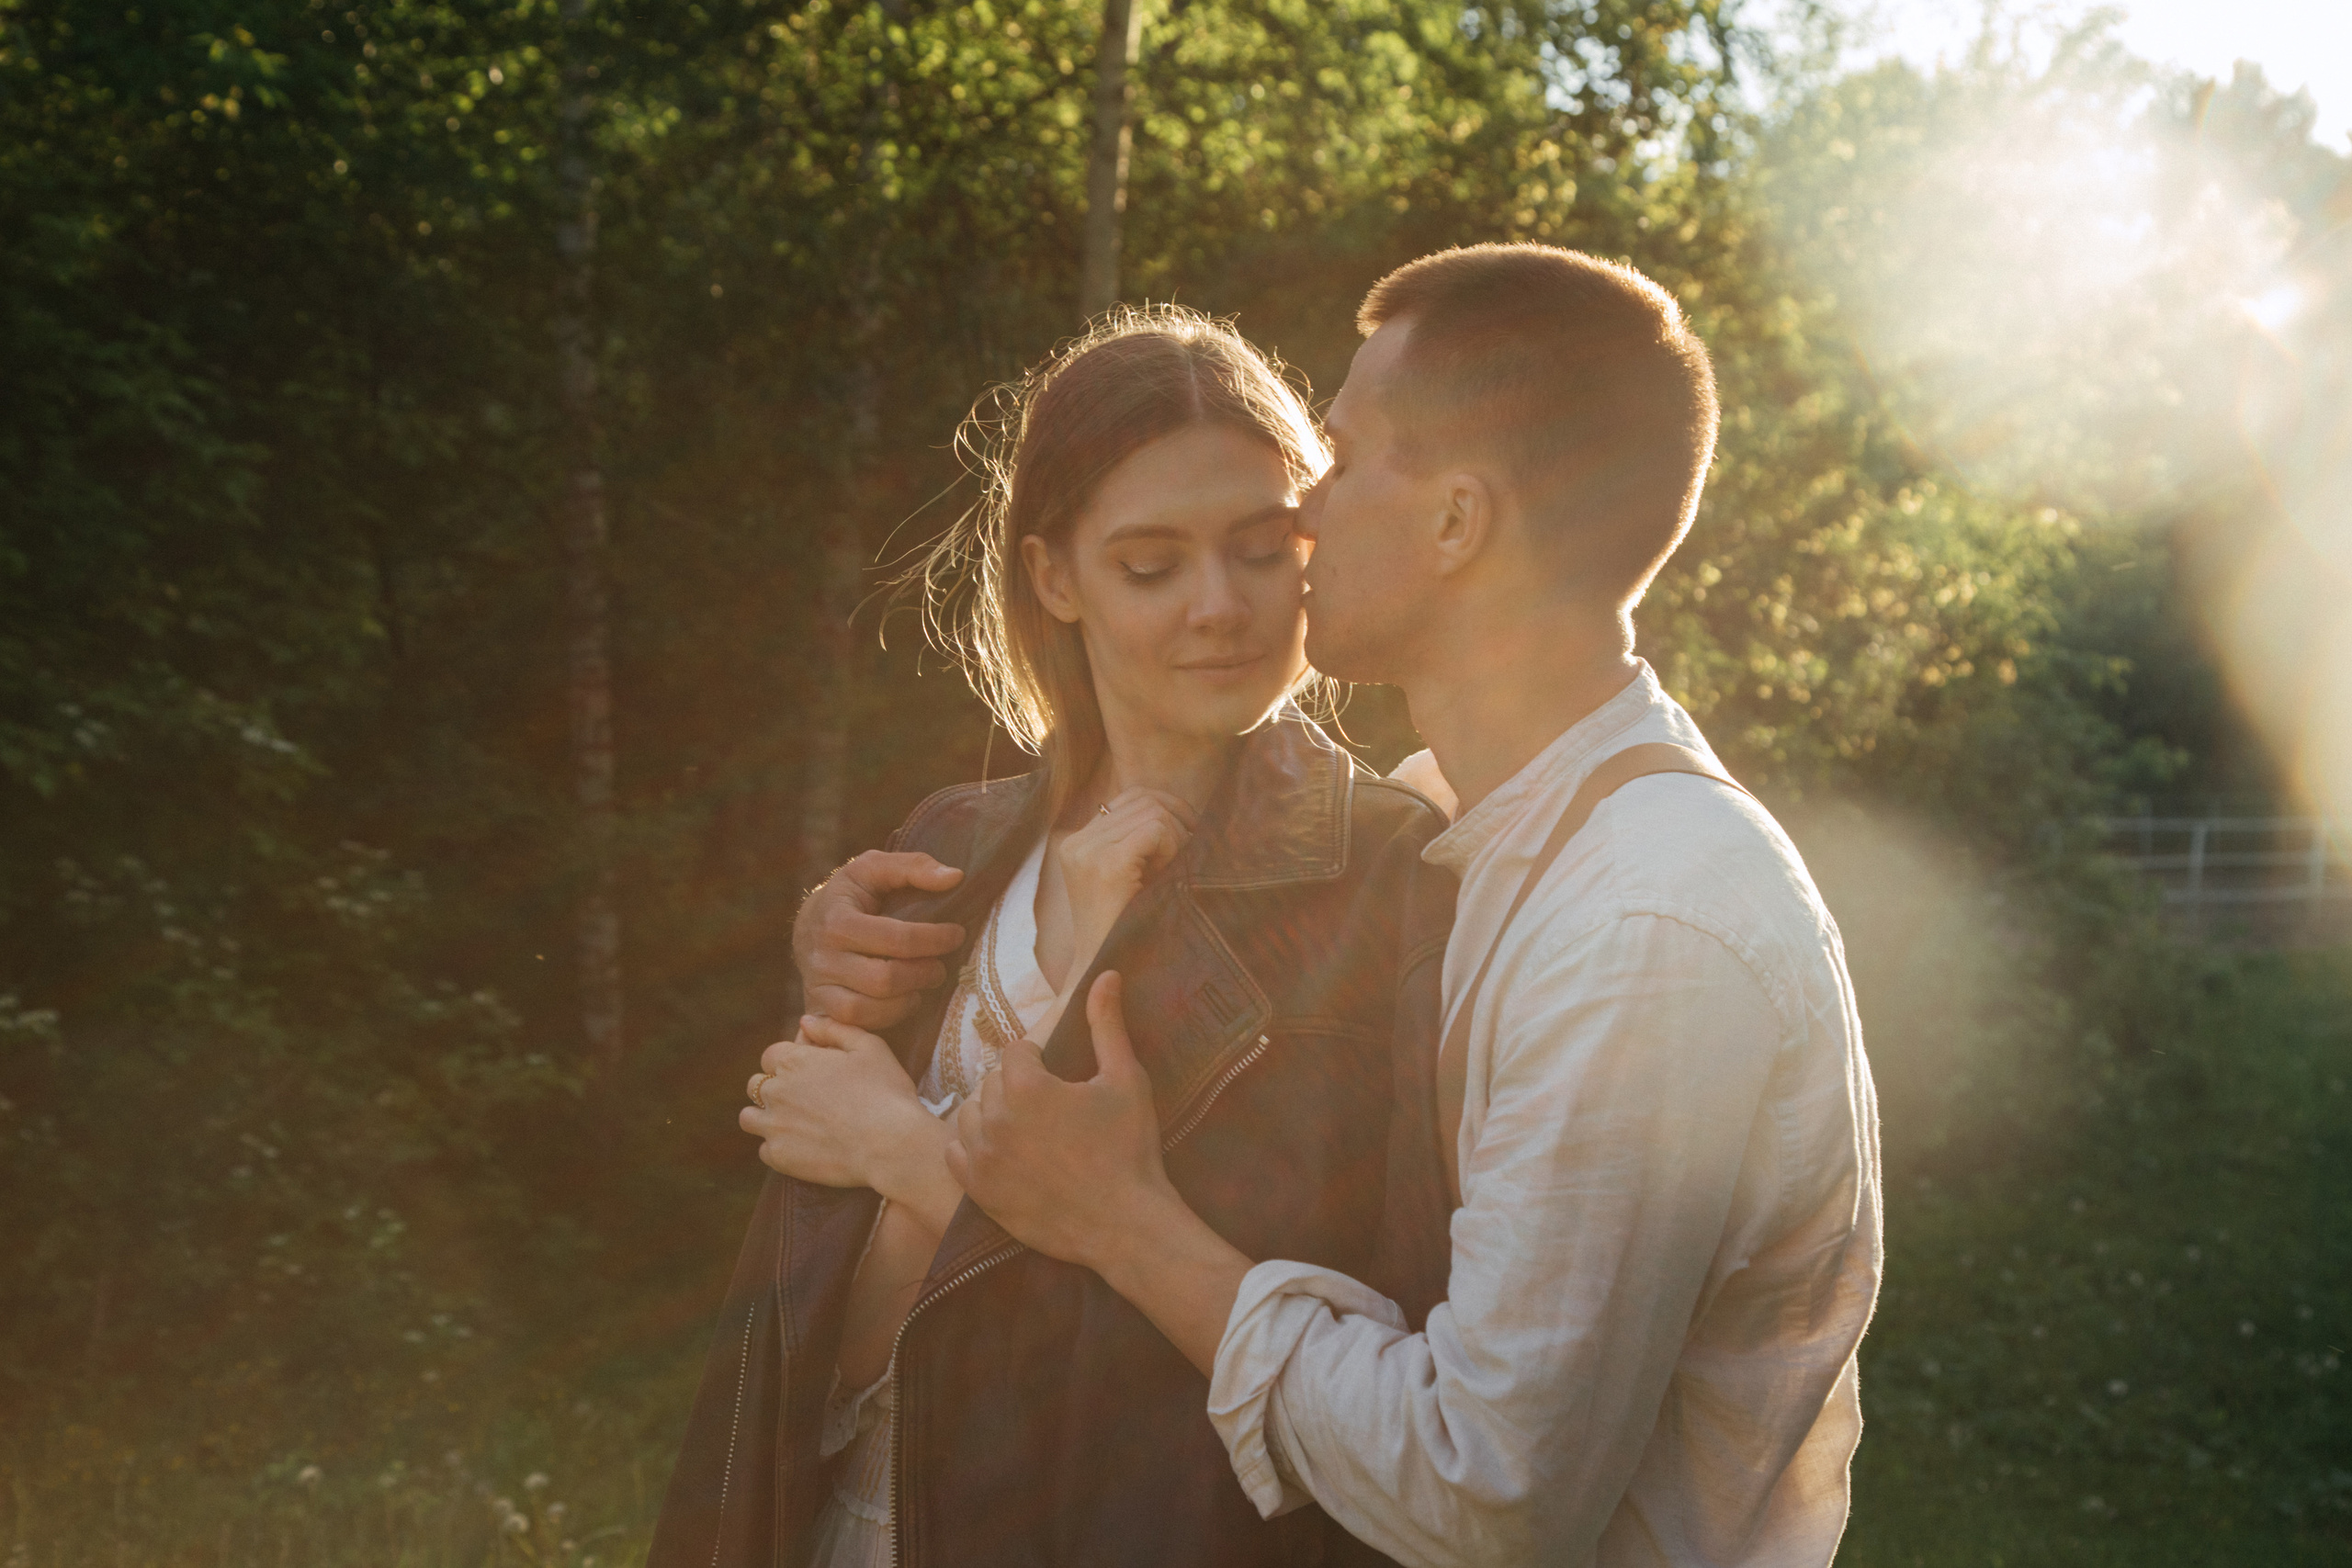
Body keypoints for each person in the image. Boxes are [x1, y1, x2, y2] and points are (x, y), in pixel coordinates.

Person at [803, 245, 1883, 1567]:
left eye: (1341, 455)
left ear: (1453, 523)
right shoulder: (1485, 835)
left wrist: (1121, 1222)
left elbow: (1486, 1489)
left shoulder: (1639, 924)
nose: (1306, 507)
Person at [647, 306, 1458, 1568]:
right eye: (1150, 564)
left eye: (1262, 548)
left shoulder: (1390, 880)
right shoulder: (946, 851)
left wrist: (906, 1160)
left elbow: (1308, 1351)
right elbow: (822, 1325)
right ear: (1053, 576)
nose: (1218, 607)